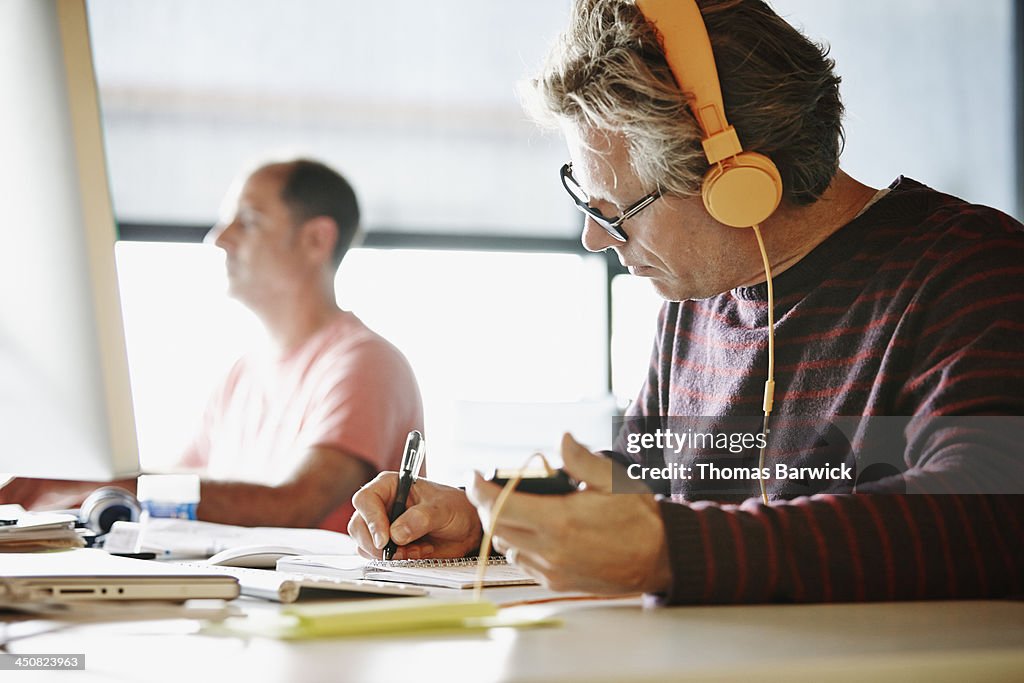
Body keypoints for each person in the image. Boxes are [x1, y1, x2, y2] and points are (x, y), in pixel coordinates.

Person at [348, 0, 1024, 602]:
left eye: (619, 210)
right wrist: (488, 524)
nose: (592, 237)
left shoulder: (968, 271)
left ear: (738, 179)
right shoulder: (698, 301)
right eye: (587, 201)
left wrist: (673, 552)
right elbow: (642, 488)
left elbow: (990, 511)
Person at [1, 159, 424, 532]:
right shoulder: (241, 373)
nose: (219, 238)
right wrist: (71, 476)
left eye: (248, 220)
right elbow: (185, 488)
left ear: (316, 239)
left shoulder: (365, 363)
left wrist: (90, 482)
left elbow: (295, 503)